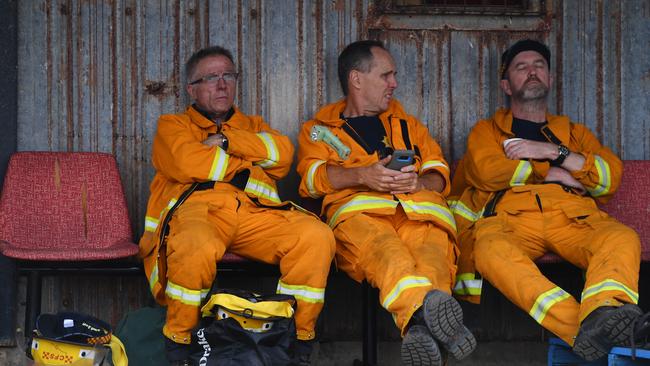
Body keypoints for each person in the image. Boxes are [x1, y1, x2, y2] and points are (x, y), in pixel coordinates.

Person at [138, 45, 336, 366]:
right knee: (193, 244)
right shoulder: (172, 125)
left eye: (228, 75)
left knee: (316, 236)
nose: (221, 84)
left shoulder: (253, 124)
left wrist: (227, 143)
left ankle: (296, 344)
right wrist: (246, 161)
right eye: (211, 77)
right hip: (199, 212)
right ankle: (179, 345)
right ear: (192, 89)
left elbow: (283, 155)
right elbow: (186, 161)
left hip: (256, 214)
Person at [449, 39, 643, 361]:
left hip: (573, 216)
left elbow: (609, 176)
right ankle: (586, 330)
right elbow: (487, 171)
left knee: (622, 237)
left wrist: (554, 151)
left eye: (539, 65)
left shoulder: (574, 133)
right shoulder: (488, 131)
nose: (532, 71)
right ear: (506, 85)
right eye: (521, 67)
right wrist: (552, 170)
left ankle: (604, 312)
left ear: (550, 78)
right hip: (510, 218)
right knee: (489, 251)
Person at [297, 40, 476, 366]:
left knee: (433, 265)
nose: (394, 83)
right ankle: (429, 324)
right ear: (357, 79)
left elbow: (441, 174)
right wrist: (362, 175)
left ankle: (418, 326)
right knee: (391, 258)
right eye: (386, 75)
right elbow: (311, 181)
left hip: (421, 215)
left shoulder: (409, 126)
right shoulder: (319, 131)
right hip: (362, 219)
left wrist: (419, 182)